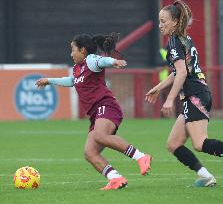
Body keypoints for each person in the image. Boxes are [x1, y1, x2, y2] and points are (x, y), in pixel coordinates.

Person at [145, 0, 223, 187]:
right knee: (173, 144)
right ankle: (207, 177)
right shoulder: (184, 38)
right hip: (195, 94)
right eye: (159, 21)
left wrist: (169, 99)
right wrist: (159, 88)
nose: (160, 25)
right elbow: (179, 72)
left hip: (195, 96)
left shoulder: (175, 42)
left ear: (175, 22)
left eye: (163, 21)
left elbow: (182, 73)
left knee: (200, 143)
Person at [36, 33, 152, 190]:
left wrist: (113, 62)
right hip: (96, 114)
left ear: (83, 50)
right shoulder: (78, 68)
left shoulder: (90, 60)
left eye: (73, 49)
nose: (71, 54)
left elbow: (102, 60)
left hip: (106, 106)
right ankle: (115, 179)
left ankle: (141, 157)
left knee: (101, 136)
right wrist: (49, 80)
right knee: (90, 153)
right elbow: (71, 81)